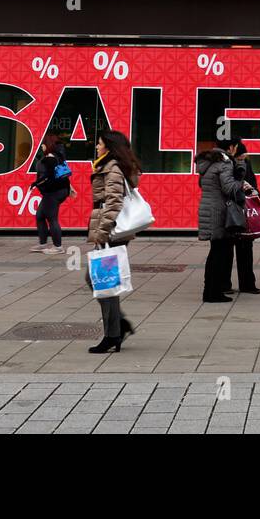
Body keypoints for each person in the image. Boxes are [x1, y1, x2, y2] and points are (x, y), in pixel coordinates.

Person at [87, 130, 139, 353]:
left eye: (99, 144)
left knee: (100, 280)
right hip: (113, 232)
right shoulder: (111, 165)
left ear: (109, 146)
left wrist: (102, 231)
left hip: (111, 232)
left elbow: (114, 202)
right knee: (103, 281)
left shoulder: (113, 167)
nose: (97, 147)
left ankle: (114, 333)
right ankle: (117, 327)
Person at [197, 138, 244, 302]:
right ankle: (214, 293)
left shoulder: (208, 162)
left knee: (214, 252)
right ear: (231, 147)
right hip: (219, 212)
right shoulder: (225, 163)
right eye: (236, 147)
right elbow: (229, 188)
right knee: (220, 254)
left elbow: (202, 185)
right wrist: (240, 177)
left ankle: (209, 291)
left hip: (208, 208)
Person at [220, 139, 260, 295]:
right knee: (227, 250)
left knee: (246, 249)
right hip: (230, 210)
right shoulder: (226, 165)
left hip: (244, 211)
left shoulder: (246, 165)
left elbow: (254, 183)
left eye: (244, 158)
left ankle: (248, 284)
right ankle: (225, 284)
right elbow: (225, 187)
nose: (242, 160)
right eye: (240, 158)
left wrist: (253, 190)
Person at [30, 132, 73, 255]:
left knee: (52, 218)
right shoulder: (58, 156)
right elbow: (61, 175)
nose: (41, 147)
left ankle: (58, 247)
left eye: (43, 144)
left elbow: (48, 177)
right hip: (59, 191)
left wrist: (35, 184)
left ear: (47, 144)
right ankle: (43, 244)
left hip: (53, 192)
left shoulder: (50, 158)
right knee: (40, 215)